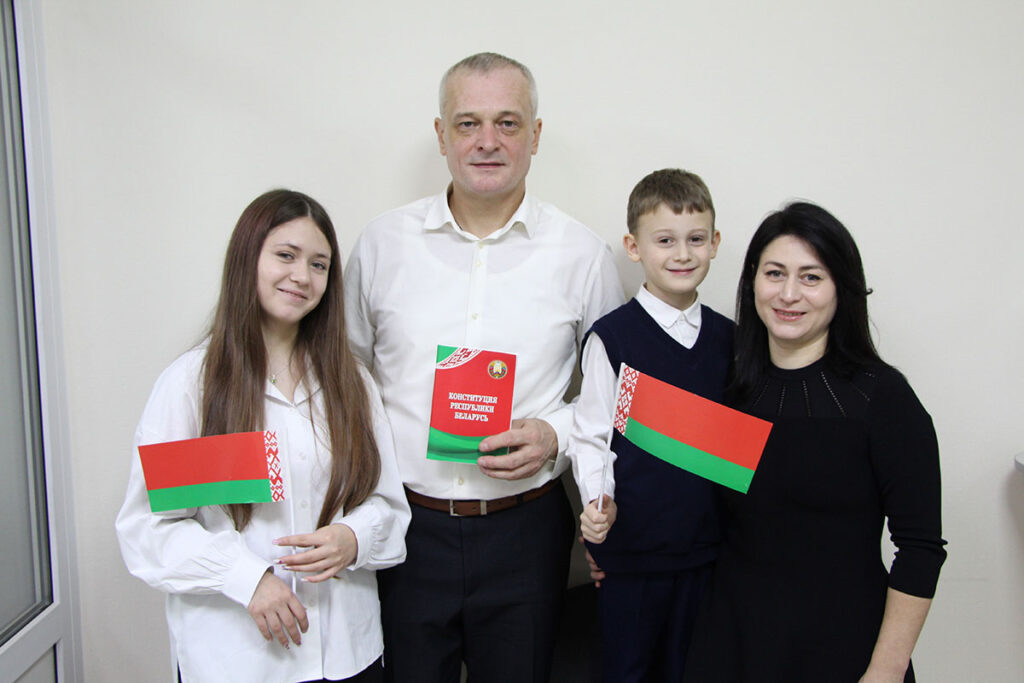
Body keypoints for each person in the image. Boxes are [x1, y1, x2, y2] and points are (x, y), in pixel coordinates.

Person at [343, 53, 624, 683]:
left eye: (508, 122)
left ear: (536, 135)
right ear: (441, 135)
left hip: (526, 532)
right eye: (468, 123)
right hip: (405, 530)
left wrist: (554, 434)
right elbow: (346, 377)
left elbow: (617, 396)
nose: (487, 141)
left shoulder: (582, 254)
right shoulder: (382, 244)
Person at [116, 189, 410, 683]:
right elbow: (149, 530)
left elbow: (388, 504)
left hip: (348, 655)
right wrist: (247, 579)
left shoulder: (351, 381)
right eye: (285, 255)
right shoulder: (192, 385)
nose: (302, 276)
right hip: (238, 660)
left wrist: (354, 537)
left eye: (318, 265)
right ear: (247, 259)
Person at [684, 202, 947, 682]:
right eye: (775, 273)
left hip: (846, 651)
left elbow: (920, 548)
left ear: (841, 288)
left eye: (811, 277)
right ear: (752, 281)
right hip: (732, 646)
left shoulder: (882, 398)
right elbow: (701, 514)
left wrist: (886, 671)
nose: (788, 294)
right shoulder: (728, 389)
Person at [568, 168, 731, 682]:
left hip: (710, 557)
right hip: (633, 558)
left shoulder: (732, 341)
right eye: (665, 240)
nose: (682, 254)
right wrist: (598, 502)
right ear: (633, 247)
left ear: (714, 244)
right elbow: (591, 436)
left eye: (696, 239)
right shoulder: (614, 339)